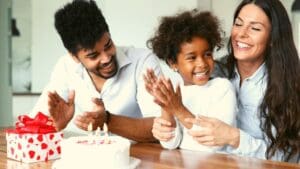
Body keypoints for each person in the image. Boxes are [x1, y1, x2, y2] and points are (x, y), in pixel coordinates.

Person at [150, 0, 300, 162]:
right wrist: (165, 125)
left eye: (255, 28)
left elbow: (289, 157)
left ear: (273, 38)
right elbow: (183, 135)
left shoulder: (290, 84)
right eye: (238, 24)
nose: (241, 34)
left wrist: (235, 138)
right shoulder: (212, 72)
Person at [30, 0, 162, 142]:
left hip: (140, 158)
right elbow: (33, 123)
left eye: (108, 45)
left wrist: (108, 121)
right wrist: (55, 126)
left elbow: (163, 126)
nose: (106, 58)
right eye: (93, 55)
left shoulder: (142, 62)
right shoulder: (65, 67)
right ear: (74, 57)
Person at [144, 10, 237, 152]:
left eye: (207, 54)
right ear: (173, 63)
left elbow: (216, 144)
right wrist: (165, 106)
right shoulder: (175, 95)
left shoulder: (222, 88)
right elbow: (170, 144)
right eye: (192, 58)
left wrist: (178, 109)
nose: (202, 63)